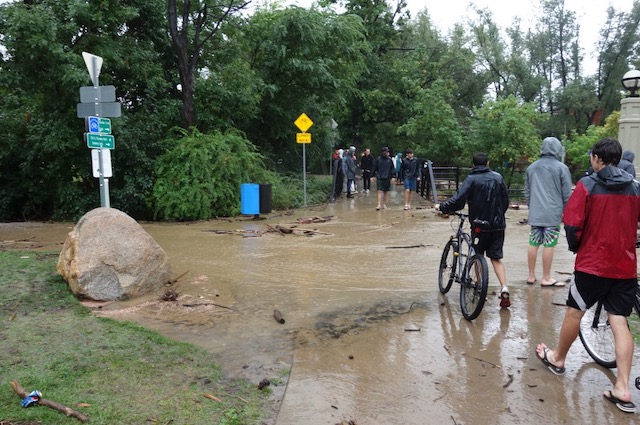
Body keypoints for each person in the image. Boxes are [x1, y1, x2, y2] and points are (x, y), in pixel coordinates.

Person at [535, 138, 640, 414]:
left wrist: (577, 246)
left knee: (574, 313)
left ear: (596, 158)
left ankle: (557, 359)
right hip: (625, 267)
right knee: (620, 322)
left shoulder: (587, 186)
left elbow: (572, 223)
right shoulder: (635, 188)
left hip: (592, 265)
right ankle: (623, 388)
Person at [436, 152, 511, 308]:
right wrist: (498, 216)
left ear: (473, 165)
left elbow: (458, 201)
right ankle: (504, 287)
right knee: (496, 258)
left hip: (479, 226)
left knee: (478, 256)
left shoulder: (471, 179)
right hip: (498, 225)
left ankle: (480, 287)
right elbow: (505, 201)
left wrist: (442, 207)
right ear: (488, 163)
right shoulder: (498, 177)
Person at [524, 137, 573, 287]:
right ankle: (546, 277)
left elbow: (526, 192)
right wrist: (567, 212)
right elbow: (567, 194)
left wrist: (532, 207)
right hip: (553, 213)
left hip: (535, 213)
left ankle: (531, 276)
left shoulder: (531, 168)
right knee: (549, 244)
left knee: (533, 242)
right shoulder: (561, 168)